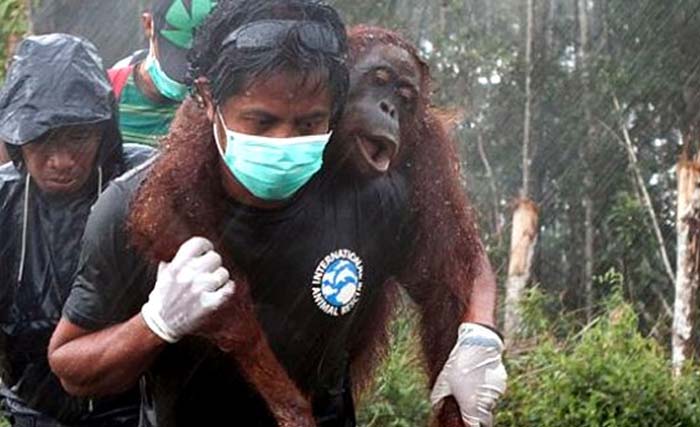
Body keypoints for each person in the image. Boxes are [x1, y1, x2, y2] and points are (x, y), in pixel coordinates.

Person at [49, 2, 505, 427]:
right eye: (262, 122)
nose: (285, 140)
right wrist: (154, 325)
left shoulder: (375, 196)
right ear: (208, 104)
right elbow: (71, 366)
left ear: (333, 105)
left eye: (308, 124)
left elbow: (459, 260)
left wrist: (477, 336)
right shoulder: (146, 200)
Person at [0, 34, 154, 426]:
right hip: (33, 408)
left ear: (104, 132)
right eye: (42, 142)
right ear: (17, 142)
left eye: (79, 137)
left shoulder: (146, 185)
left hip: (133, 409)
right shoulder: (4, 200)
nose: (62, 160)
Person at [108, 0, 216, 147]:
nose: (186, 78)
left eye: (203, 59)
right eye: (178, 55)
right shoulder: (107, 90)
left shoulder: (219, 102)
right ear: (148, 25)